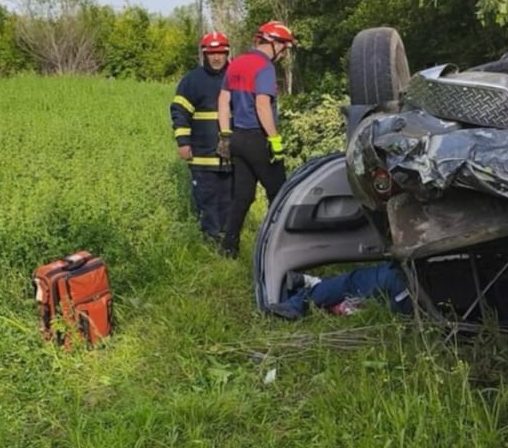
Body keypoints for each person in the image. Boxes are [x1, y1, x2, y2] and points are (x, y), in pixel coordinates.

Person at [216, 20, 297, 257]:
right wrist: (274, 140)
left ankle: (228, 248)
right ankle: (282, 249)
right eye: (284, 46)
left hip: (237, 138)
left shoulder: (236, 63)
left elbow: (223, 100)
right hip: (258, 139)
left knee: (243, 196)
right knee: (279, 194)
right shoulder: (265, 67)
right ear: (274, 43)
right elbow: (263, 106)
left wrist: (225, 135)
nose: (284, 53)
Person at [170, 31, 233, 241]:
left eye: (221, 53)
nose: (217, 58)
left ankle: (229, 235)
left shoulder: (237, 76)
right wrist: (183, 142)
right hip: (202, 155)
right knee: (206, 197)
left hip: (232, 155)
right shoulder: (192, 80)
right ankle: (211, 238)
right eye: (212, 53)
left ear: (227, 53)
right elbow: (179, 112)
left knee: (229, 197)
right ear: (204, 54)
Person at [262, 261, 414, 320]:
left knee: (354, 283)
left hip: (412, 284)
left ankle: (300, 300)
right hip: (419, 291)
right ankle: (309, 287)